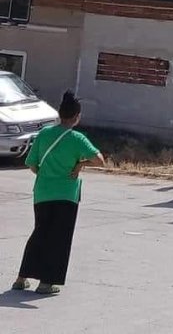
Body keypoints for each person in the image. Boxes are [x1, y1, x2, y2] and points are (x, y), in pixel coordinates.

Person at [13, 91, 104, 295]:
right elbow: (100, 160)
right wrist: (80, 164)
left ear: (59, 114)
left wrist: (47, 175)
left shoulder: (45, 133)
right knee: (58, 238)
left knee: (39, 233)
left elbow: (32, 165)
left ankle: (21, 278)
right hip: (66, 195)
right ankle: (47, 282)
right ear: (77, 116)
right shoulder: (77, 138)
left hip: (42, 193)